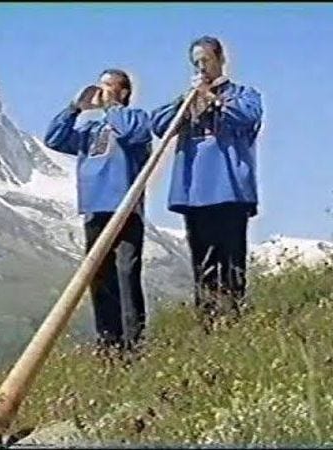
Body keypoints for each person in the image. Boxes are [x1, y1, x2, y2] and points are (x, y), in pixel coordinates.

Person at [151, 36, 263, 322]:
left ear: (221, 59)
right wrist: (186, 101)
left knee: (232, 259)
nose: (201, 67)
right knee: (202, 262)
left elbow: (248, 117)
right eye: (196, 62)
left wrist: (212, 99)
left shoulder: (243, 94)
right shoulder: (188, 99)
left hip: (230, 189)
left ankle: (234, 319)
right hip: (193, 192)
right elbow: (159, 125)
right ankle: (208, 322)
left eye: (206, 60)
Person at [44, 69, 152, 352]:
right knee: (99, 278)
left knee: (126, 275)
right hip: (94, 209)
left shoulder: (135, 118)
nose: (101, 90)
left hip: (125, 208)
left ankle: (133, 345)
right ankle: (108, 345)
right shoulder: (90, 130)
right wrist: (74, 109)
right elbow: (54, 139)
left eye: (107, 85)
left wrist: (113, 106)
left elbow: (133, 134)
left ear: (123, 91)